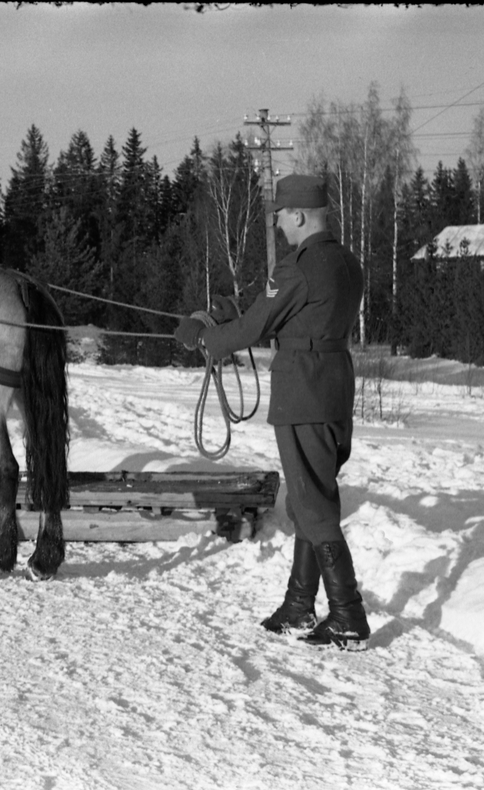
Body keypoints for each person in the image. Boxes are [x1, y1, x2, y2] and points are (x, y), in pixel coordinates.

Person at [174, 174, 369, 651]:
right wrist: (233, 315)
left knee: (312, 502)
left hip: (302, 392)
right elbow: (290, 315)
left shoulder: (296, 268)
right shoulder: (348, 264)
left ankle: (348, 615)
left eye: (280, 215)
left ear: (299, 215)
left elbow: (254, 328)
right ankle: (300, 604)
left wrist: (202, 337)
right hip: (335, 388)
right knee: (310, 496)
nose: (278, 224)